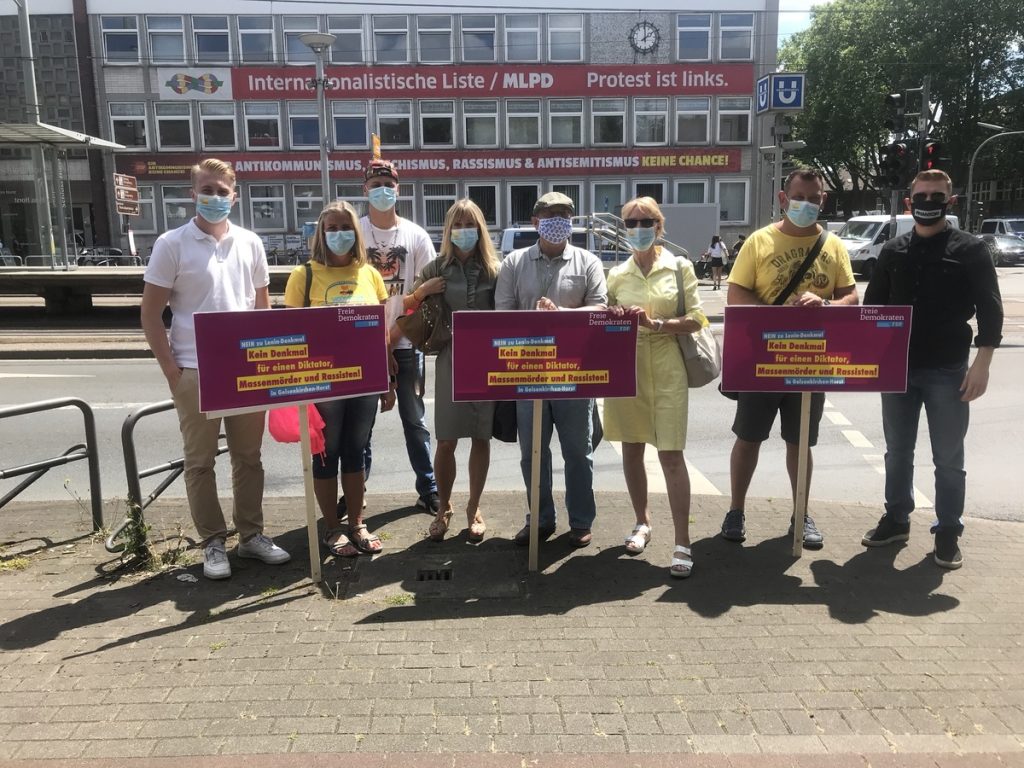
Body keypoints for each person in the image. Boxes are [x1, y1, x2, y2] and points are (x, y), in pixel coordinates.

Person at [140, 158, 290, 580]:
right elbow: (151, 314)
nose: (214, 198)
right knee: (200, 462)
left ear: (234, 194)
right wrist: (173, 372)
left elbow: (261, 308)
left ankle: (251, 536)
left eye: (222, 191)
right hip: (194, 371)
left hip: (245, 371)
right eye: (207, 190)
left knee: (249, 458)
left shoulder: (250, 242)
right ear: (193, 193)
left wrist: (267, 366)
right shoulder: (171, 244)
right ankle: (212, 543)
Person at [862, 170, 1002, 570]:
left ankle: (947, 531)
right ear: (909, 203)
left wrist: (983, 364)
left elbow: (990, 309)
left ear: (950, 201)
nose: (928, 200)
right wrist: (867, 361)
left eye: (936, 195)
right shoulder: (892, 251)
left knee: (948, 458)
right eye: (921, 195)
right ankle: (896, 519)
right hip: (897, 370)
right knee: (897, 453)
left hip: (949, 369)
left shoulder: (971, 250)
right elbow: (874, 309)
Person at [721, 168, 858, 549]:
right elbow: (736, 296)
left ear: (823, 201)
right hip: (761, 362)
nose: (806, 205)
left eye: (814, 199)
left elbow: (851, 297)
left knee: (801, 443)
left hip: (811, 363)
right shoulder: (759, 241)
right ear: (783, 199)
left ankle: (801, 512)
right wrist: (777, 316)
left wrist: (827, 304)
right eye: (799, 197)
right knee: (748, 438)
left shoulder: (833, 246)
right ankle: (735, 510)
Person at [282, 200, 395, 557]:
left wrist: (388, 377)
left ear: (356, 233)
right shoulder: (305, 275)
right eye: (331, 228)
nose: (339, 234)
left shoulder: (370, 273)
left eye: (345, 227)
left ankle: (357, 523)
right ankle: (332, 529)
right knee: (326, 454)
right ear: (321, 233)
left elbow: (383, 331)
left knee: (356, 451)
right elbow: (290, 333)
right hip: (323, 383)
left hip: (364, 381)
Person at [495, 191, 607, 548]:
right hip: (528, 374)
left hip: (575, 375)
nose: (559, 220)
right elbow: (502, 316)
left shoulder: (588, 262)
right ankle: (540, 518)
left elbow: (599, 310)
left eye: (565, 214)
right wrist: (535, 321)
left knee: (578, 451)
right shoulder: (514, 263)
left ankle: (580, 520)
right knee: (532, 453)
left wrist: (562, 318)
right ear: (535, 221)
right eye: (551, 214)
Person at [604, 197, 707, 578]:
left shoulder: (679, 268)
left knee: (670, 455)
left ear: (659, 226)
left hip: (667, 366)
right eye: (630, 223)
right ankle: (641, 522)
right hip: (628, 368)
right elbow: (605, 318)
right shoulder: (617, 275)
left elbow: (698, 319)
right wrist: (612, 315)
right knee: (631, 449)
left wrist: (657, 324)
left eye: (645, 221)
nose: (638, 228)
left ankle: (683, 542)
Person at [409, 199, 499, 542]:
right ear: (448, 231)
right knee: (446, 440)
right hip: (449, 360)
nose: (464, 231)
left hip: (487, 363)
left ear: (480, 229)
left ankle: (473, 506)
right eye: (457, 225)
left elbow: (507, 311)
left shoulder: (494, 269)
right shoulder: (435, 268)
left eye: (470, 224)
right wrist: (422, 290)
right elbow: (406, 310)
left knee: (481, 437)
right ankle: (443, 506)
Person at [360, 155, 440, 514]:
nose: (382, 191)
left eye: (387, 186)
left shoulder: (416, 235)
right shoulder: (354, 231)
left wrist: (392, 336)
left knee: (415, 421)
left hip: (407, 342)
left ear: (398, 190)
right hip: (360, 346)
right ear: (365, 190)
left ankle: (429, 486)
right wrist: (377, 341)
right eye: (375, 186)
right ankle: (356, 490)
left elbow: (426, 292)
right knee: (361, 427)